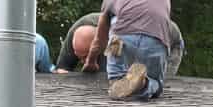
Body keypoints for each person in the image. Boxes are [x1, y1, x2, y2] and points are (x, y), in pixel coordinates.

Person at [83, 0, 174, 100]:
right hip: (157, 41)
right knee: (157, 85)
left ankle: (131, 82)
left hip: (121, 39)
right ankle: (145, 83)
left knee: (117, 82)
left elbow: (99, 40)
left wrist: (90, 62)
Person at [56, 11, 185, 77]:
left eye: (85, 57)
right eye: (79, 57)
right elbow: (62, 69)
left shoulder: (121, 35)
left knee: (151, 85)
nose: (83, 62)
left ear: (101, 43)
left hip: (168, 41)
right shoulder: (76, 31)